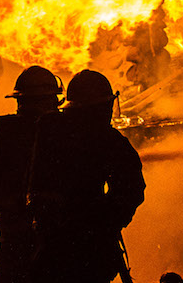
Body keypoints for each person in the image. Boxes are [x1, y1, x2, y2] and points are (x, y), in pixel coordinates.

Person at [27, 69, 145, 283]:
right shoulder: (109, 141)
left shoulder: (48, 130)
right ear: (102, 107)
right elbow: (132, 189)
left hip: (50, 246)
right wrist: (105, 223)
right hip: (88, 252)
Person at [0, 65, 62, 283]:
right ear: (51, 99)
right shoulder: (58, 131)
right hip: (53, 233)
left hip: (12, 231)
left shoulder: (6, 131)